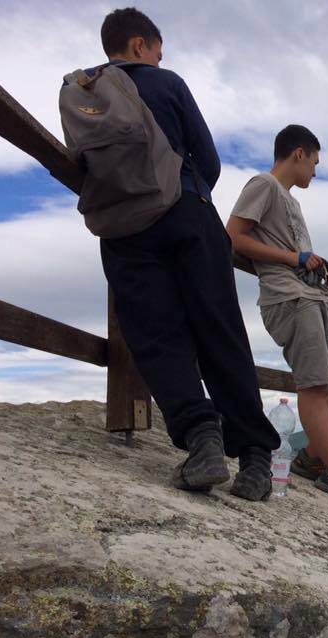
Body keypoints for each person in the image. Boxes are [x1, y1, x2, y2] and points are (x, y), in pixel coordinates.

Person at [90, 8, 279, 500]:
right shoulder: (166, 82)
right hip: (187, 213)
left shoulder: (85, 92)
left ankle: (202, 441)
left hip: (123, 228)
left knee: (155, 334)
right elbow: (208, 160)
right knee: (219, 327)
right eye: (157, 50)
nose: (158, 59)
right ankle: (255, 459)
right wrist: (186, 194)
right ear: (139, 45)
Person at [226, 125, 328, 512]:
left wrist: (314, 266)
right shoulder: (263, 185)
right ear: (298, 154)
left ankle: (311, 459)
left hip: (315, 297)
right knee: (315, 384)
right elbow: (233, 236)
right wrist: (294, 258)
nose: (315, 170)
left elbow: (286, 248)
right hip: (289, 298)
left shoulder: (291, 201)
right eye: (314, 161)